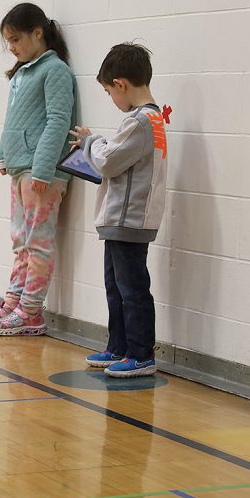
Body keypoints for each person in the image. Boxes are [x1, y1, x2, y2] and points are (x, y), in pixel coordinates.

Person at [0, 3, 76, 335]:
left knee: (38, 241)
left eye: (16, 40)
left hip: (41, 172)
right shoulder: (22, 72)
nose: (13, 48)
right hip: (21, 169)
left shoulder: (55, 70)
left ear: (38, 33)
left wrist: (44, 169)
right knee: (21, 241)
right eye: (9, 43)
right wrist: (2, 153)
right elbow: (12, 119)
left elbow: (59, 121)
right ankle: (13, 303)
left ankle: (31, 311)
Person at [71, 43, 169, 378]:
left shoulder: (141, 121)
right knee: (117, 286)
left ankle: (141, 354)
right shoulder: (145, 120)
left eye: (108, 91)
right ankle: (119, 346)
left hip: (128, 220)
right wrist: (96, 145)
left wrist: (90, 141)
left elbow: (108, 161)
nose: (111, 98)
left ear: (121, 84)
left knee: (132, 289)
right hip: (121, 221)